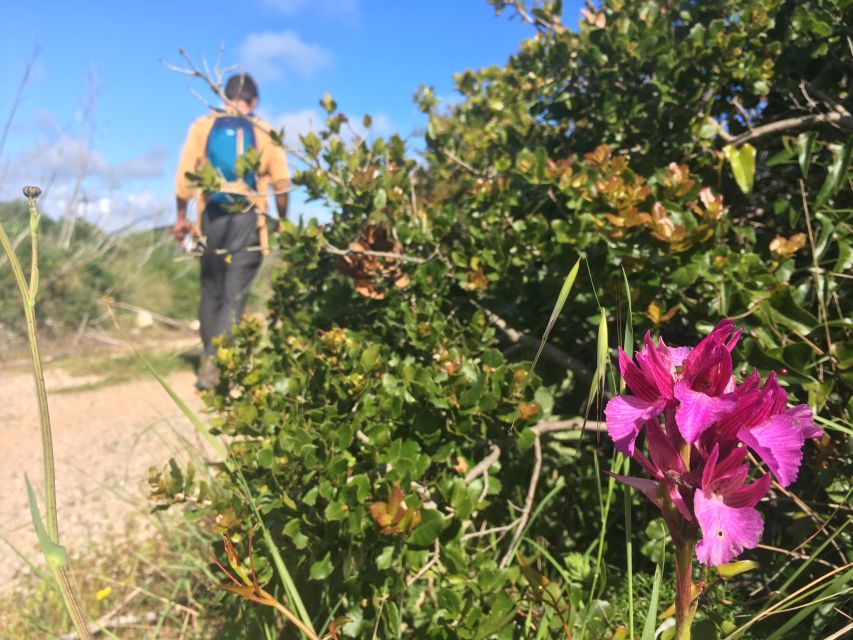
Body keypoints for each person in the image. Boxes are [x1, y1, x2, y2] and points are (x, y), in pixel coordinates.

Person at [173, 73, 290, 390]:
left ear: (226, 96)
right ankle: (215, 366)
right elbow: (281, 182)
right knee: (233, 295)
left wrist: (181, 217)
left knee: (210, 290)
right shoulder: (263, 129)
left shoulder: (203, 126)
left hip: (211, 217)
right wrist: (283, 218)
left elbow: (184, 178)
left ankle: (210, 358)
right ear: (253, 101)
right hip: (247, 219)